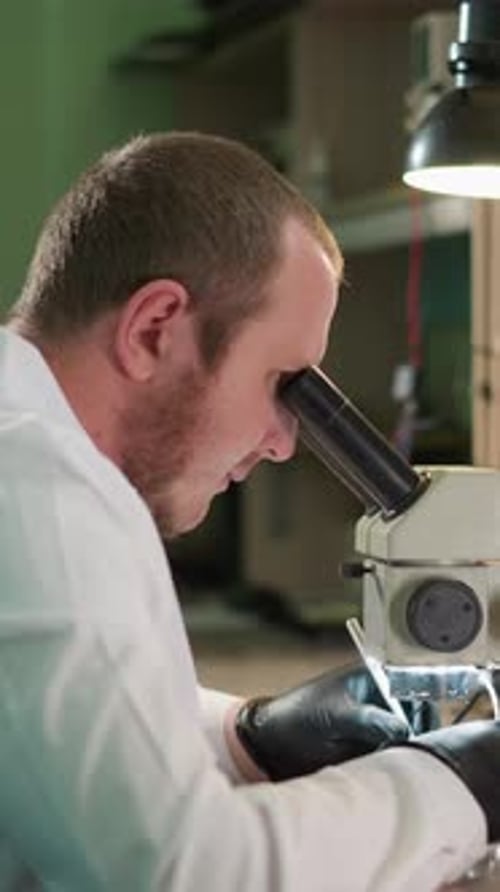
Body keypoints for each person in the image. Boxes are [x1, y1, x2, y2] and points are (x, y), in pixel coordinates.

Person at [0, 131, 498, 892]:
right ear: (154, 330)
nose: (282, 444)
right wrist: (463, 785)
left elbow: (44, 722)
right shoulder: (44, 496)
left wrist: (248, 735)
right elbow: (183, 871)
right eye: (282, 382)